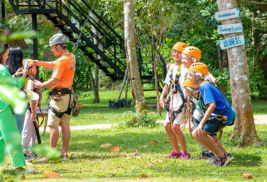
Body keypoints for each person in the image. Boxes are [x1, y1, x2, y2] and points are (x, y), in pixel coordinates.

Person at [33, 33, 76, 161]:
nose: (51, 50)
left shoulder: (62, 61)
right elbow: (54, 64)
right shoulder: (70, 57)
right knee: (65, 124)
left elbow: (54, 81)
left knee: (53, 126)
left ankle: (51, 155)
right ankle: (64, 153)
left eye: (52, 48)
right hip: (68, 97)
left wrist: (40, 85)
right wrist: (40, 63)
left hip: (59, 98)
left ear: (58, 46)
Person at [187, 62, 234, 166]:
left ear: (198, 76)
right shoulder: (206, 83)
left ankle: (220, 157)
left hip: (223, 115)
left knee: (197, 133)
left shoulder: (204, 86)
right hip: (224, 114)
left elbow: (212, 105)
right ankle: (225, 155)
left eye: (190, 75)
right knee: (208, 134)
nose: (189, 78)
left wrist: (201, 124)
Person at [0, 48, 35, 173]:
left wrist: (14, 76)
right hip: (3, 107)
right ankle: (19, 168)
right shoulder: (2, 70)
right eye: (7, 53)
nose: (9, 56)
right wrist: (24, 76)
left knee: (2, 138)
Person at [159, 42, 191, 159]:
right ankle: (176, 151)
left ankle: (185, 152)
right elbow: (167, 84)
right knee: (167, 126)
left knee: (176, 128)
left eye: (179, 52)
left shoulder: (187, 67)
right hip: (172, 101)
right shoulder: (172, 68)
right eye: (174, 52)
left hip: (182, 101)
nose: (176, 54)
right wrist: (162, 97)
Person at [5, 46, 27, 134]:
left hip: (7, 102)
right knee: (19, 128)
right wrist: (24, 76)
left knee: (7, 129)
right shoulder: (22, 70)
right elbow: (24, 87)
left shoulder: (5, 69)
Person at [21, 61, 40, 160]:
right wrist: (33, 112)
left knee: (32, 132)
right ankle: (23, 152)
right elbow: (30, 98)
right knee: (27, 131)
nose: (35, 69)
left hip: (32, 110)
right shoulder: (30, 82)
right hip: (30, 109)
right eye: (33, 67)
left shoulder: (32, 81)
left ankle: (32, 151)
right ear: (28, 69)